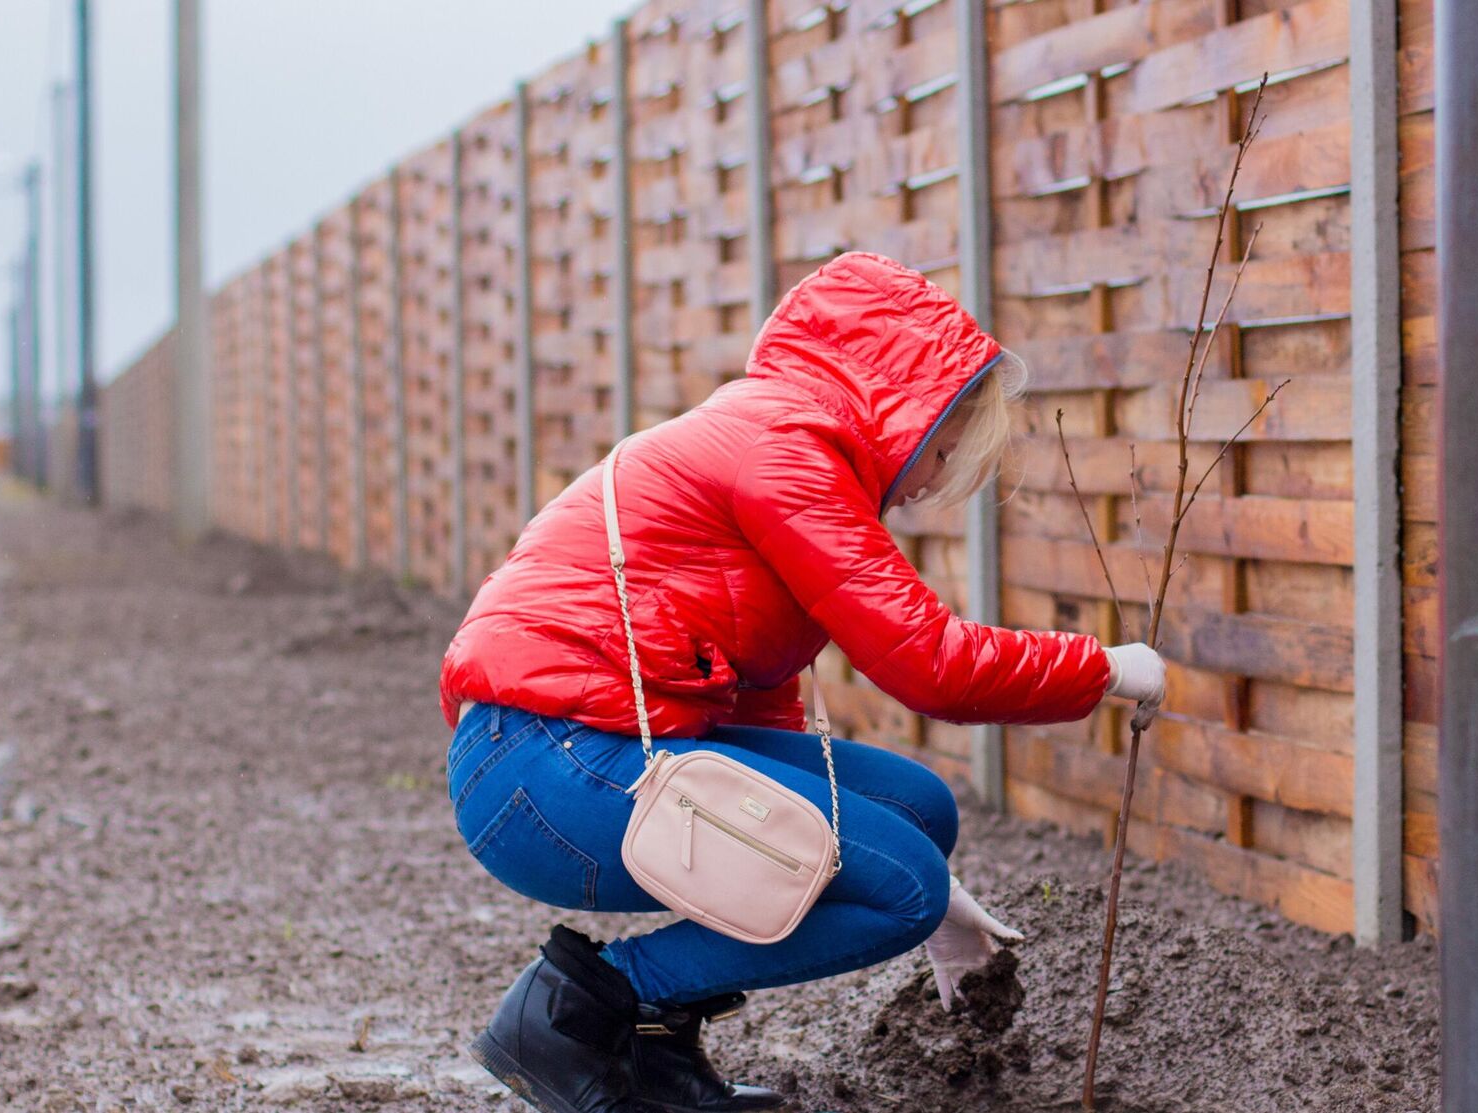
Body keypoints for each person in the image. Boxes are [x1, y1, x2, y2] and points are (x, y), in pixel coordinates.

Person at [439, 251, 1167, 1113]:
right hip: (541, 764)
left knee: (917, 813)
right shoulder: (785, 449)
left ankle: (660, 1047)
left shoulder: (778, 439)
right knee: (902, 885)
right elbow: (931, 664)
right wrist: (1106, 668)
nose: (934, 479)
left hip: (574, 743)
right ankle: (586, 1010)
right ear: (906, 406)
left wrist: (928, 889)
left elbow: (759, 697)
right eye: (946, 445)